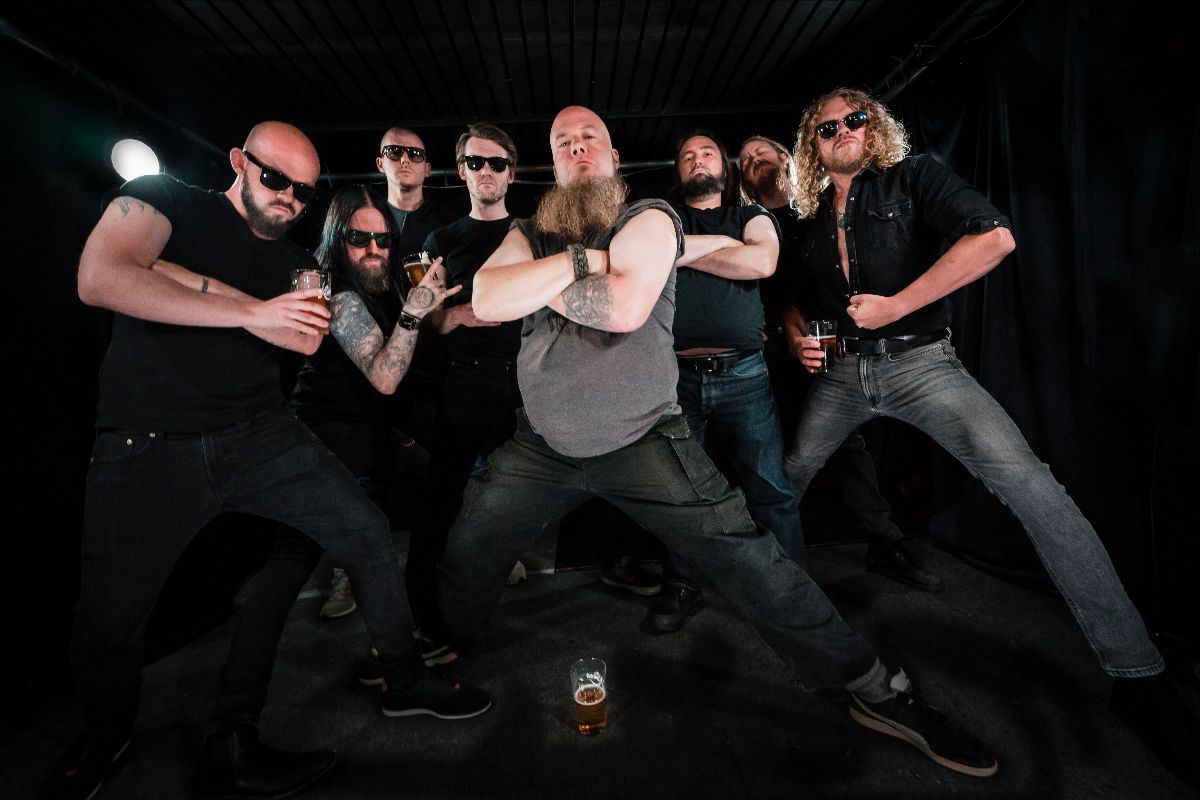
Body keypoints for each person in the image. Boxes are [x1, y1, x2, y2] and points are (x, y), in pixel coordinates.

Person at [436, 104, 999, 778]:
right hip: (542, 446)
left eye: (590, 138)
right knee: (471, 541)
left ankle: (874, 686)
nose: (578, 148)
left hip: (643, 440)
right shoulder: (529, 229)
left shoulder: (650, 218)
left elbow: (623, 309)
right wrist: (587, 261)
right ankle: (445, 646)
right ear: (552, 163)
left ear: (614, 157)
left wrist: (541, 281)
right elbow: (488, 300)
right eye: (563, 142)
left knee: (750, 558)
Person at [40, 122, 490, 800]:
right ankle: (107, 737)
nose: (288, 197)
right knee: (109, 618)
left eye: (303, 191)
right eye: (275, 179)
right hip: (146, 446)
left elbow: (314, 339)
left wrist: (430, 314)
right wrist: (249, 311)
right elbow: (102, 276)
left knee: (367, 534)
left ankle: (396, 682)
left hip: (261, 436)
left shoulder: (299, 264)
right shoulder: (166, 198)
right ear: (238, 162)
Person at [783, 86, 1199, 784]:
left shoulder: (915, 177)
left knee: (1035, 490)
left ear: (872, 127)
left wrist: (897, 306)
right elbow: (794, 301)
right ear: (813, 146)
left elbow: (994, 237)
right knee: (785, 479)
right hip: (844, 376)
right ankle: (769, 609)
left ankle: (1139, 675)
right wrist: (798, 336)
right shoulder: (811, 220)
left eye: (854, 118)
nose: (842, 130)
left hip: (922, 365)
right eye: (826, 127)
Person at [738, 133, 942, 590]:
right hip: (768, 355)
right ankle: (763, 558)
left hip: (828, 346)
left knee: (846, 447)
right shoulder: (746, 222)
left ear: (785, 157)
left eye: (760, 151)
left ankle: (884, 540)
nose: (752, 159)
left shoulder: (820, 209)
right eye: (745, 159)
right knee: (767, 454)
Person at [647, 131, 797, 633]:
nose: (697, 160)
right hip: (675, 380)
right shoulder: (661, 218)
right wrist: (725, 250)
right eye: (687, 155)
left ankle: (791, 592)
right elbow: (642, 254)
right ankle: (681, 585)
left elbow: (762, 261)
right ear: (678, 170)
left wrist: (678, 251)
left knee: (769, 489)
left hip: (744, 375)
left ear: (724, 168)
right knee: (683, 494)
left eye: (707, 153)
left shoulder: (750, 216)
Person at [289, 184, 458, 627]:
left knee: (443, 480)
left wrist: (455, 313)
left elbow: (414, 335)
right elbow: (385, 377)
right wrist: (413, 314)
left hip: (375, 429)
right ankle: (361, 593)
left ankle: (453, 565)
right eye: (358, 238)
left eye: (382, 239)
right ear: (337, 238)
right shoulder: (340, 295)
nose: (373, 249)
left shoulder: (385, 283)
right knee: (318, 548)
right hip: (331, 437)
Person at [407, 123, 527, 635]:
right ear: (461, 171)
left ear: (511, 173)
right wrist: (456, 315)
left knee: (521, 490)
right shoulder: (441, 240)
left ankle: (498, 563)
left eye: (497, 163)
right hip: (468, 380)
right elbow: (421, 316)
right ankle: (419, 613)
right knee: (443, 496)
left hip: (527, 380)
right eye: (476, 162)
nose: (486, 171)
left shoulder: (530, 232)